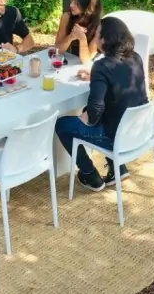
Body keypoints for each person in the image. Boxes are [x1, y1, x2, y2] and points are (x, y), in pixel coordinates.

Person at [55, 16, 148, 192]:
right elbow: (121, 81)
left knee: (62, 124)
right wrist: (98, 79)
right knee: (90, 112)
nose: (94, 38)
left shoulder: (102, 66)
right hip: (139, 132)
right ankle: (118, 169)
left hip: (117, 138)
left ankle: (90, 176)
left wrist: (87, 117)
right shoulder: (135, 58)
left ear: (104, 40)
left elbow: (95, 108)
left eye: (97, 34)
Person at [56, 0, 102, 64]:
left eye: (76, 3)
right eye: (72, 1)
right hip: (73, 62)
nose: (71, 5)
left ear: (87, 6)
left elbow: (86, 61)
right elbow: (57, 50)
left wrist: (82, 38)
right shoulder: (67, 17)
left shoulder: (99, 26)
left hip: (92, 67)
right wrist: (71, 36)